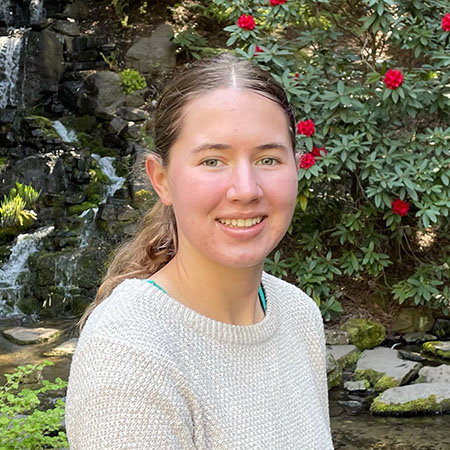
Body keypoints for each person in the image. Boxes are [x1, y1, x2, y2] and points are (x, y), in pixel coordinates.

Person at [65, 53, 333, 449]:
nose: (246, 189)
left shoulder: (297, 314)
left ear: (296, 167)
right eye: (213, 160)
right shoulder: (128, 354)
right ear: (162, 179)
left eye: (268, 159)